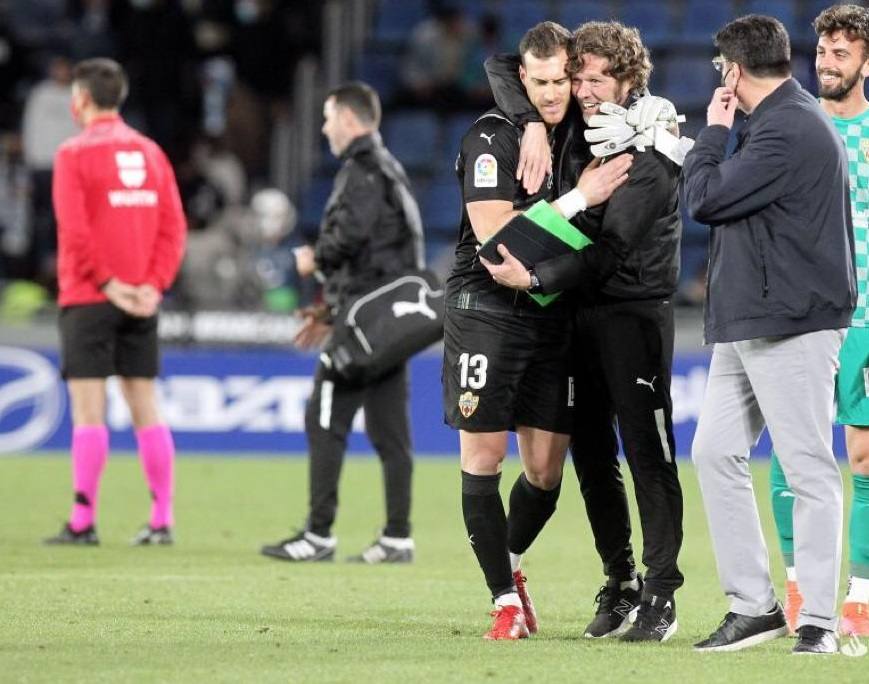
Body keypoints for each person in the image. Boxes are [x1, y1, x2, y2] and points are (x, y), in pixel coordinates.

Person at [482, 20, 687, 643]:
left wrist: (533, 276)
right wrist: (537, 124)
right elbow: (501, 66)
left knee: (648, 457)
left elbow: (612, 250)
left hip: (632, 315)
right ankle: (621, 581)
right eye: (579, 76)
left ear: (629, 79)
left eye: (599, 76)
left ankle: (661, 595)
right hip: (577, 315)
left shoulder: (651, 148)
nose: (585, 87)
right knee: (594, 460)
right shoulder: (576, 130)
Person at [444, 21, 632, 641]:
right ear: (524, 80)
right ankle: (504, 601)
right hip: (486, 311)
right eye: (542, 83)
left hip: (550, 313)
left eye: (562, 81)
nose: (554, 94)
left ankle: (511, 563)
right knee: (485, 456)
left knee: (547, 472)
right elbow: (498, 241)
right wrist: (576, 200)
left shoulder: (570, 132)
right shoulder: (491, 137)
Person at [682, 15, 856, 655]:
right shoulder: (783, 120)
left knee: (808, 467)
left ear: (732, 70)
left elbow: (704, 198)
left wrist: (713, 132)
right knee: (714, 452)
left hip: (793, 324)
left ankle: (816, 620)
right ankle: (755, 606)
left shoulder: (786, 128)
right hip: (752, 320)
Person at [260, 82, 423, 564]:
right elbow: (385, 256)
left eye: (329, 117)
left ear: (350, 120)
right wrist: (331, 310)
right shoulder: (389, 170)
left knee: (324, 417)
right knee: (391, 432)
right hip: (386, 324)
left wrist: (315, 260)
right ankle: (397, 537)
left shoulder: (363, 171)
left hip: (365, 324)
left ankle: (318, 535)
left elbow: (349, 243)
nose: (326, 126)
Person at [44, 58, 187, 546]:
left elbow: (74, 228)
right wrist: (153, 285)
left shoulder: (72, 153)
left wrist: (107, 284)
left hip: (88, 296)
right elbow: (174, 228)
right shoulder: (151, 153)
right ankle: (162, 519)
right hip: (142, 299)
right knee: (145, 404)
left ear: (79, 99)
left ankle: (83, 521)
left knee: (90, 411)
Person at [767, 3, 869, 639]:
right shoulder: (793, 128)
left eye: (841, 54)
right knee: (792, 455)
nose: (827, 64)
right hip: (801, 315)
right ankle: (802, 589)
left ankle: (859, 593)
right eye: (822, 53)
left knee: (863, 457)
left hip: (865, 316)